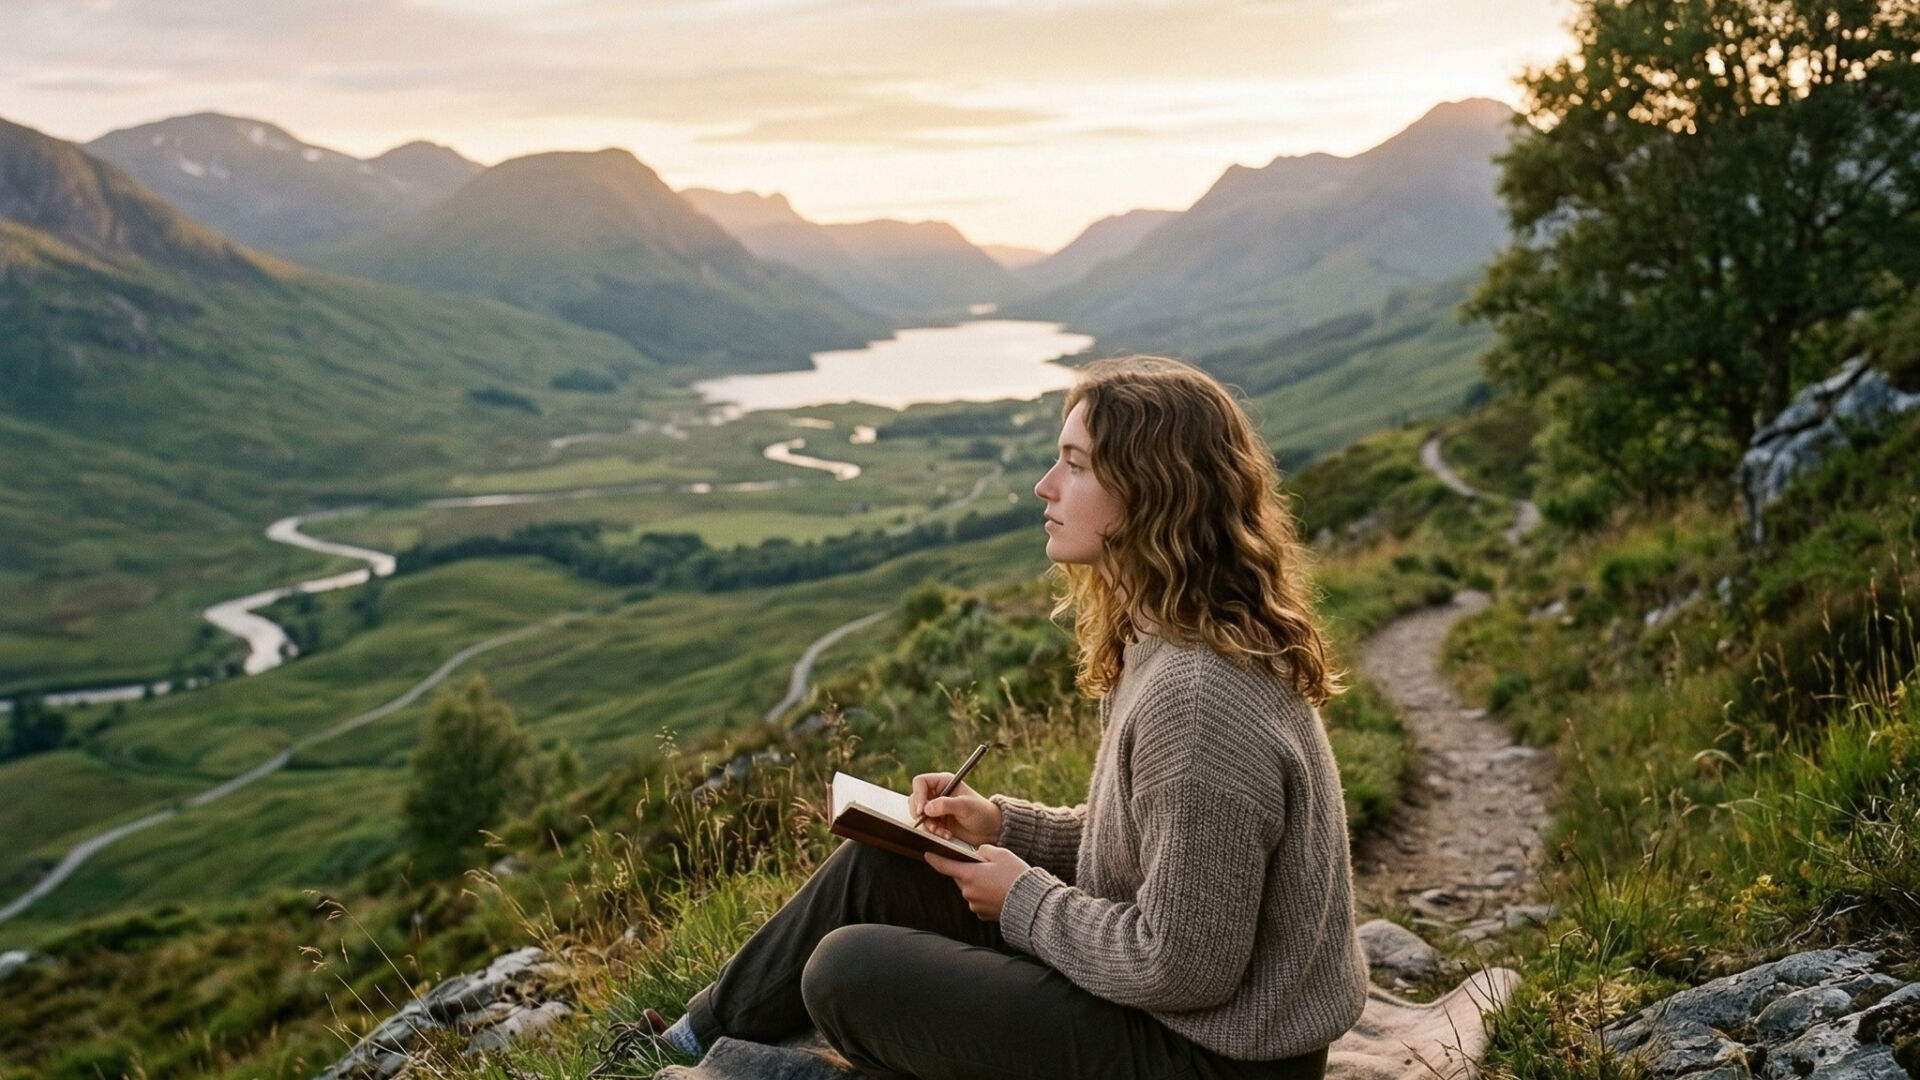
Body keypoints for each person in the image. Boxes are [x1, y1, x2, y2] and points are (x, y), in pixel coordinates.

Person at [648, 356, 1368, 1080]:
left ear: (1151, 491)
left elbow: (1183, 967)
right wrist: (999, 826)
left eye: (1075, 465)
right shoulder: (1164, 638)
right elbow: (1159, 852)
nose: (1045, 486)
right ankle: (690, 1038)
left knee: (848, 973)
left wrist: (1023, 899)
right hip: (1178, 1023)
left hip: (1212, 1056)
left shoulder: (1199, 698)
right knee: (886, 861)